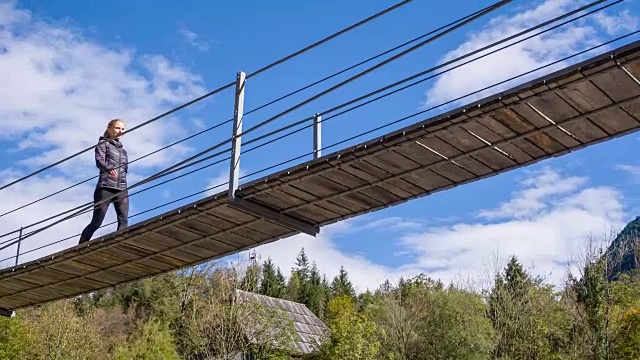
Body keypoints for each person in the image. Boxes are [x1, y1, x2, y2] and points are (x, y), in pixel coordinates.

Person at [79, 119, 129, 244]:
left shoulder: (123, 151)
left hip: (121, 187)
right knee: (97, 222)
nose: (120, 131)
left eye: (122, 129)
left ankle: (118, 244)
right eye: (117, 128)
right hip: (105, 187)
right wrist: (108, 168)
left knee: (123, 220)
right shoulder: (103, 144)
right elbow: (99, 160)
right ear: (109, 129)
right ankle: (81, 246)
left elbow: (125, 168)